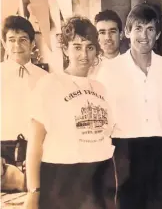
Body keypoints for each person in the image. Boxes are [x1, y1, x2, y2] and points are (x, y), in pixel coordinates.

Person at [24, 16, 116, 209]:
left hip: (99, 176)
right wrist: (33, 192)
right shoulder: (48, 84)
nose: (84, 54)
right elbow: (34, 145)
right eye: (77, 46)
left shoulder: (101, 88)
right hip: (62, 180)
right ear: (65, 49)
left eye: (90, 47)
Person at [96, 3, 162, 209]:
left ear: (158, 34)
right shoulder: (109, 71)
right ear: (127, 32)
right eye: (138, 28)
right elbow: (102, 121)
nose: (144, 35)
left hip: (161, 152)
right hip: (124, 153)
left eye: (150, 29)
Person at [1, 15, 47, 191]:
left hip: (35, 150)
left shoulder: (46, 78)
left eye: (23, 39)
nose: (17, 46)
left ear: (32, 43)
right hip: (2, 151)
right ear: (4, 43)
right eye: (11, 40)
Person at [88, 9, 126, 77]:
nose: (108, 37)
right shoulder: (89, 69)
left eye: (112, 31)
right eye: (102, 32)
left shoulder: (130, 65)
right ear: (96, 37)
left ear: (121, 35)